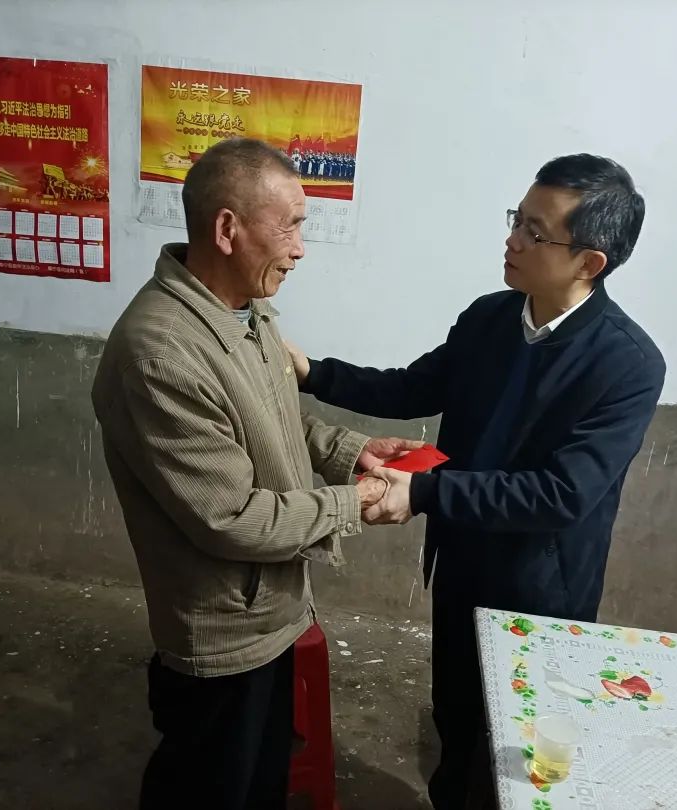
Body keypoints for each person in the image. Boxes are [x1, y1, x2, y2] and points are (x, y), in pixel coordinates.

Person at [286, 153, 666, 809]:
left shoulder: (626, 363)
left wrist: (422, 493)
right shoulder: (490, 317)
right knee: (456, 716)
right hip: (461, 556)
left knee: (516, 745)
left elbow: (562, 494)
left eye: (535, 232)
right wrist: (313, 373)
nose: (513, 239)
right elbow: (414, 387)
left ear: (589, 262)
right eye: (517, 219)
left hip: (538, 587)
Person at [91, 137, 421, 810]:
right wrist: (355, 501)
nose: (301, 249)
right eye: (291, 225)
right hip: (223, 627)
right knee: (209, 785)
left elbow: (274, 418)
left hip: (273, 609)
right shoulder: (160, 355)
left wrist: (351, 451)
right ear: (227, 229)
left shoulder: (247, 311)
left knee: (263, 776)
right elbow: (230, 517)